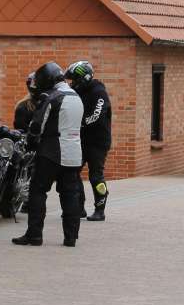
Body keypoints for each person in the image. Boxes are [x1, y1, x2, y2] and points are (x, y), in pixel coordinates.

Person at [13, 62, 84, 248]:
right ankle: (71, 238)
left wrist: (31, 143)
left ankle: (34, 236)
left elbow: (37, 125)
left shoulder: (52, 97)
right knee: (70, 194)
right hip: (74, 153)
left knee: (38, 191)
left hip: (51, 152)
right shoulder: (76, 96)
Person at [65, 60, 112, 221]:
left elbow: (96, 115)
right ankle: (79, 207)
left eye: (74, 80)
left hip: (98, 141)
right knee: (73, 172)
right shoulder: (76, 91)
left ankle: (100, 210)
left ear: (83, 78)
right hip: (81, 140)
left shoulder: (99, 92)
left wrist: (81, 123)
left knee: (95, 175)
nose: (72, 83)